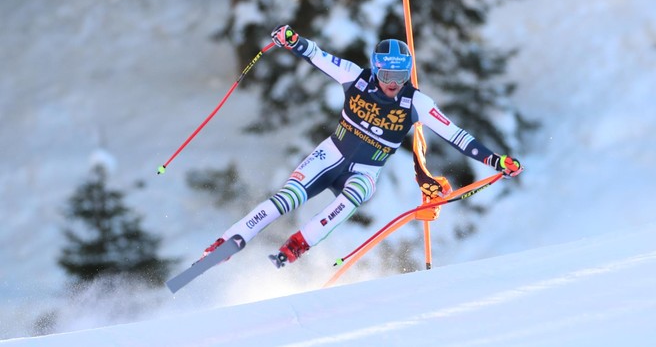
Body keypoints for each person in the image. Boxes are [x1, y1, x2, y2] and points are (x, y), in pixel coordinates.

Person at [200, 24, 523, 268]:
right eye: (386, 72)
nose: (393, 82)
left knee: (355, 196)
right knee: (287, 198)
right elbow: (316, 55)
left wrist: (496, 161)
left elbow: (457, 135)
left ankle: (298, 244)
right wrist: (293, 40)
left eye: (401, 73)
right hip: (331, 154)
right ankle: (229, 241)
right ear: (375, 67)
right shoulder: (355, 77)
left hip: (366, 169)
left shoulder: (417, 102)